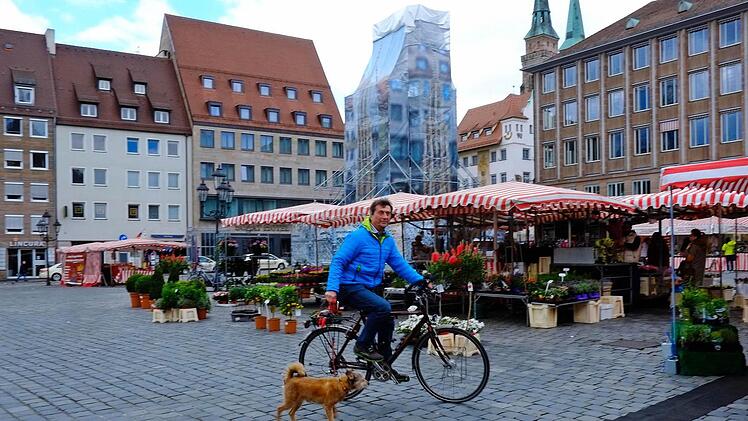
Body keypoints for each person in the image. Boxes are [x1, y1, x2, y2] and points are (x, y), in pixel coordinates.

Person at [325, 198, 423, 380]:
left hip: (371, 287)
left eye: (388, 213)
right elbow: (338, 261)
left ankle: (384, 366)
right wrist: (332, 289)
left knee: (387, 319)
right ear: (371, 214)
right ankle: (362, 345)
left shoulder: (387, 240)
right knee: (382, 307)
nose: (385, 216)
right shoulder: (358, 237)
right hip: (350, 286)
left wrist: (421, 281)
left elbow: (400, 265)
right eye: (381, 212)